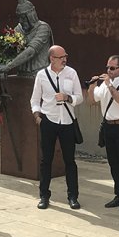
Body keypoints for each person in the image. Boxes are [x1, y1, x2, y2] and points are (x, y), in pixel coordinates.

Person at [31, 45, 84, 210]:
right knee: (46, 160)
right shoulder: (41, 75)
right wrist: (37, 117)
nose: (64, 59)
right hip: (49, 121)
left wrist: (68, 97)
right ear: (51, 59)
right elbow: (34, 100)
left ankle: (73, 196)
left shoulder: (71, 73)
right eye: (61, 57)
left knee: (70, 161)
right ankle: (44, 196)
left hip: (67, 122)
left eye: (65, 56)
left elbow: (80, 97)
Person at [88, 55, 119, 212]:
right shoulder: (105, 83)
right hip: (108, 127)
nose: (108, 70)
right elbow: (92, 100)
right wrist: (91, 86)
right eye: (107, 67)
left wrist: (110, 86)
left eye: (112, 68)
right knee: (113, 163)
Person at [0, 0, 53, 77]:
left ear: (31, 16)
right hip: (22, 76)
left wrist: (7, 67)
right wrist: (2, 68)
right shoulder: (18, 29)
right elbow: (7, 50)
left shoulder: (43, 28)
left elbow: (30, 52)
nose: (20, 20)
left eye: (23, 17)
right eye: (19, 17)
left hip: (40, 75)